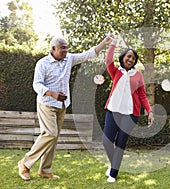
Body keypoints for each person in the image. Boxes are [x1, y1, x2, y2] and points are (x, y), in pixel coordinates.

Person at [18, 35, 112, 181]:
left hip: (62, 104)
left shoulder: (69, 59)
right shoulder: (42, 64)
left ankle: (45, 170)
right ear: (53, 48)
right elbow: (37, 85)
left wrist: (104, 43)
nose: (66, 50)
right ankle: (25, 163)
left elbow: (87, 54)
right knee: (50, 133)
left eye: (67, 47)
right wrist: (52, 94)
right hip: (46, 103)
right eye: (62, 48)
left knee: (53, 138)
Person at [103, 36, 154, 183]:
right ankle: (114, 164)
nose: (131, 59)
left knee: (120, 143)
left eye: (133, 58)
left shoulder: (137, 75)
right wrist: (112, 44)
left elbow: (143, 96)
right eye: (128, 56)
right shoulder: (116, 72)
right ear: (123, 57)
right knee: (106, 141)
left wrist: (149, 111)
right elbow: (108, 61)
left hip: (130, 114)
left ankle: (113, 173)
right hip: (113, 111)